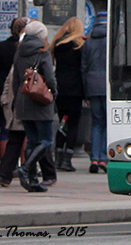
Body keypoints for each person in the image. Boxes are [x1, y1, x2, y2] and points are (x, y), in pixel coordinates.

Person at [13, 20, 58, 191]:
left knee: (32, 141)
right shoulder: (42, 52)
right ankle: (25, 169)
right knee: (46, 140)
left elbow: (16, 79)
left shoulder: (19, 51)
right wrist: (54, 93)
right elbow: (50, 77)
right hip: (40, 101)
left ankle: (32, 180)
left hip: (22, 100)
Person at [0, 17, 28, 167]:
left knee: (4, 127)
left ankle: (5, 165)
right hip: (21, 89)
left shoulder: (1, 46)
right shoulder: (25, 48)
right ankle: (25, 163)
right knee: (23, 130)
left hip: (2, 89)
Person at [51, 18, 87, 172]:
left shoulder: (57, 45)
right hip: (75, 90)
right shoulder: (79, 46)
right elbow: (82, 69)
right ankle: (67, 159)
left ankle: (58, 156)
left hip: (60, 88)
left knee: (62, 122)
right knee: (73, 124)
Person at [81, 12, 108, 173]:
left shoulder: (88, 43)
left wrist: (86, 93)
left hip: (92, 86)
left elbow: (83, 68)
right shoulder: (112, 40)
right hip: (107, 86)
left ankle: (94, 157)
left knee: (96, 123)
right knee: (106, 124)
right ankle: (104, 158)